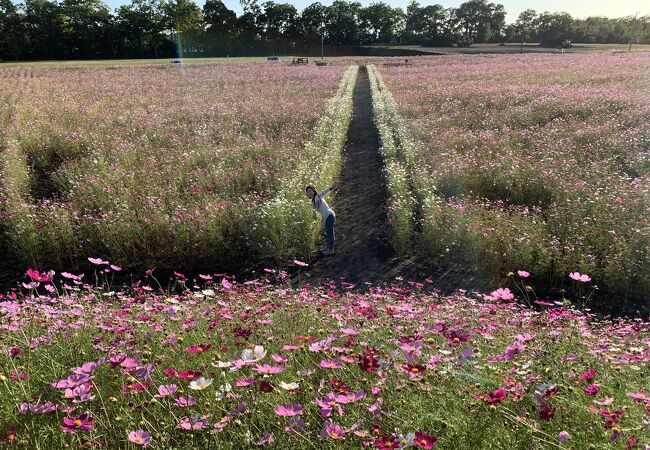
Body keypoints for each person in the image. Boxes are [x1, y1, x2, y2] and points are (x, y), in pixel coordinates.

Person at [306, 185, 336, 255]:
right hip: (327, 217)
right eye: (308, 192)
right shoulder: (313, 203)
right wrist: (314, 218)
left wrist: (331, 188)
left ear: (314, 191)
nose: (309, 192)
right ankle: (329, 247)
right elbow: (315, 214)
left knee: (330, 234)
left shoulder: (318, 196)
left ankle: (330, 250)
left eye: (310, 191)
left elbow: (324, 192)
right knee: (329, 233)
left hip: (329, 215)